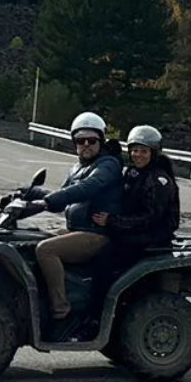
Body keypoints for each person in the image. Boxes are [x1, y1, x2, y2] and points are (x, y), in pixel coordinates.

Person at [25, 111, 123, 320]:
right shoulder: (78, 167)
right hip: (77, 230)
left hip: (96, 235)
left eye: (91, 140)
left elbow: (89, 187)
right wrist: (26, 193)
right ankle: (39, 298)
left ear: (101, 141)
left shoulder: (108, 165)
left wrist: (48, 202)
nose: (86, 144)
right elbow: (61, 195)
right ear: (74, 143)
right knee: (31, 238)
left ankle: (60, 310)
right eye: (80, 140)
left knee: (46, 250)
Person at [92, 124, 180, 256]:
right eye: (134, 150)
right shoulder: (133, 172)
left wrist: (112, 220)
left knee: (102, 256)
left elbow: (150, 219)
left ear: (153, 152)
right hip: (132, 233)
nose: (138, 155)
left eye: (144, 151)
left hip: (150, 239)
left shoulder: (159, 181)